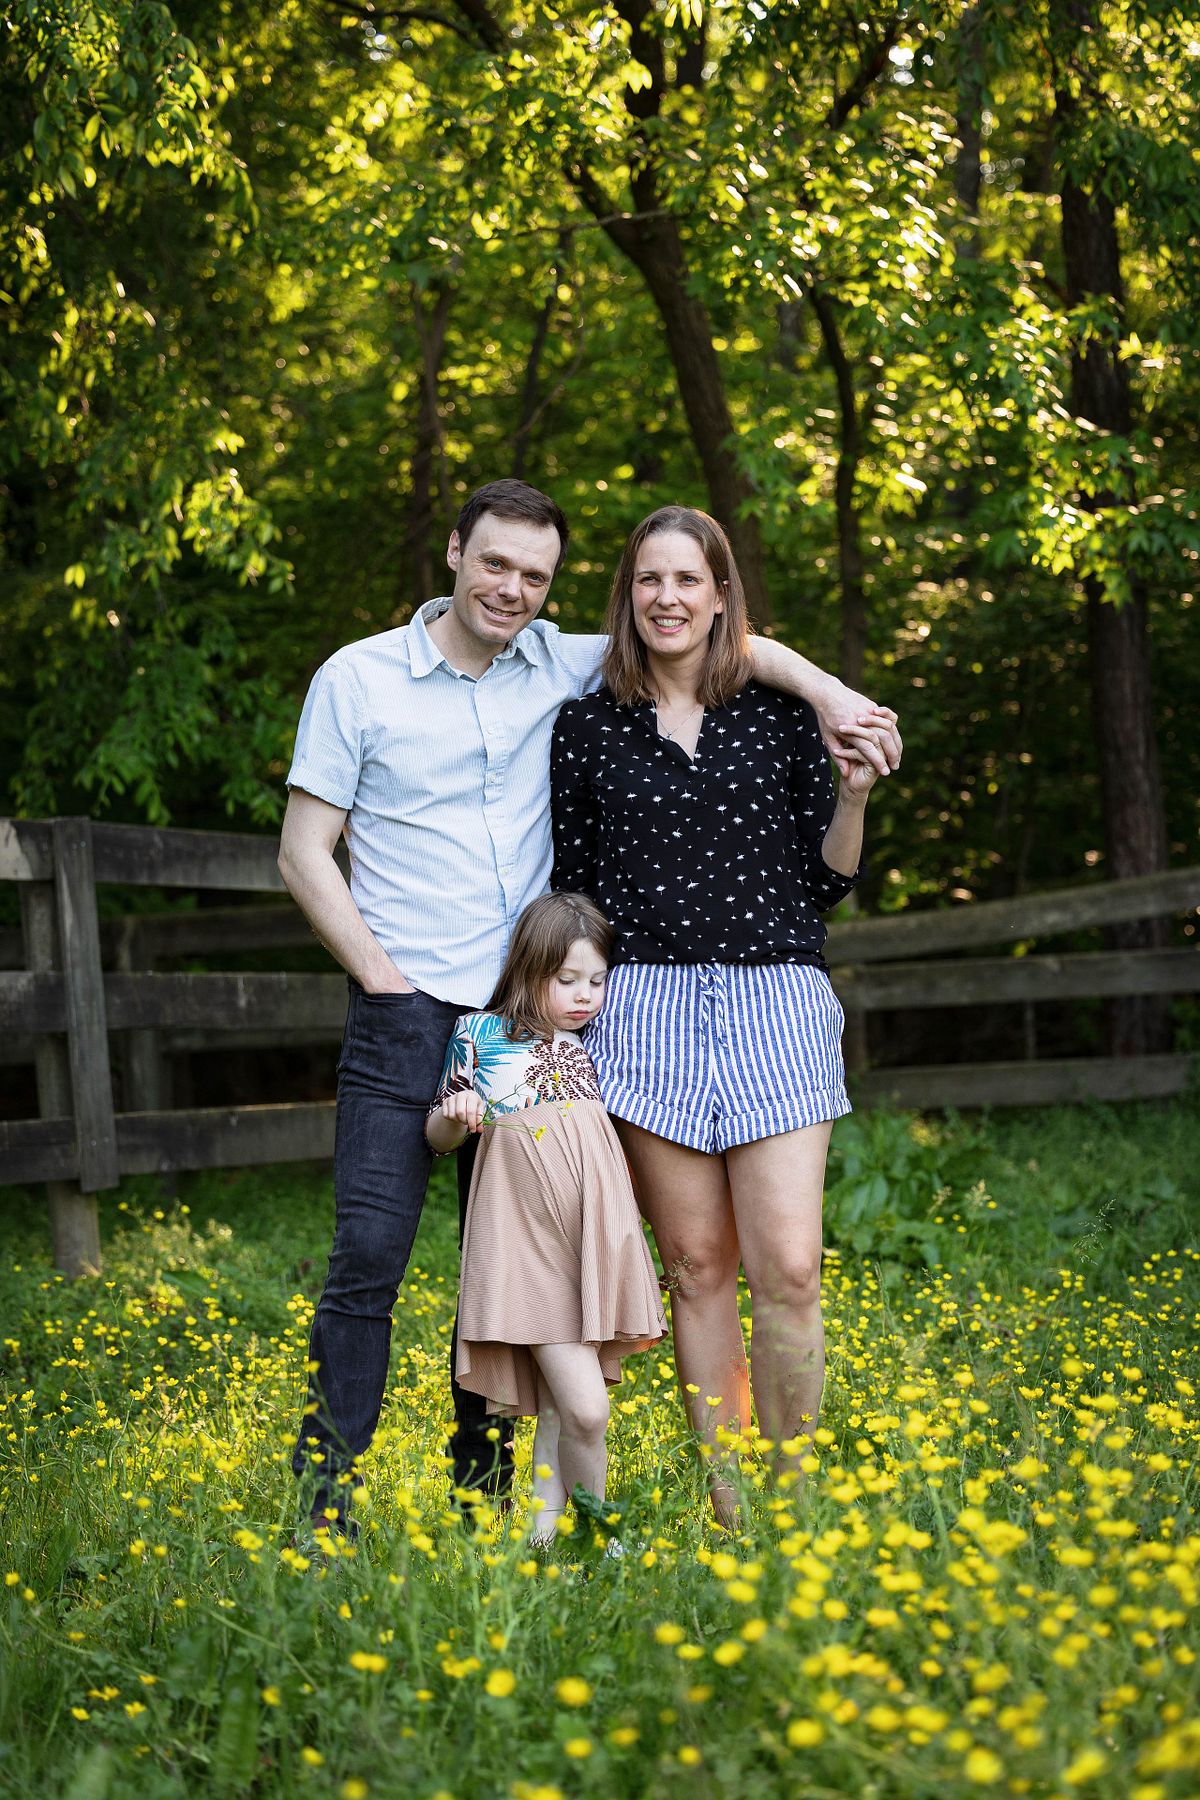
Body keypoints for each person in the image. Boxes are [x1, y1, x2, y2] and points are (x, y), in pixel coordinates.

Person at [279, 477, 899, 1539]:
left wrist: (838, 701)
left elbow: (735, 646)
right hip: (429, 1004)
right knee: (373, 1257)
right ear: (456, 554)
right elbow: (305, 853)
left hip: (540, 1017)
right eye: (496, 564)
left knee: (521, 1258)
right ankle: (321, 1507)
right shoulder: (378, 681)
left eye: (534, 574)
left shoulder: (582, 664)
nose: (512, 588)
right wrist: (387, 984)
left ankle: (490, 1492)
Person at [550, 504, 883, 1524]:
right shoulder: (587, 725)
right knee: (696, 1267)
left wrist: (855, 796)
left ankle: (794, 1504)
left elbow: (828, 885)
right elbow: (575, 886)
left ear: (720, 594)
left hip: (775, 996)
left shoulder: (779, 717)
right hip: (644, 1008)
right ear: (626, 597)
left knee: (788, 1266)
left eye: (688, 580)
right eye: (649, 581)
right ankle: (732, 1508)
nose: (667, 598)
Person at [424, 892, 665, 1544]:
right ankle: (601, 1536)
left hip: (589, 1245)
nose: (585, 995)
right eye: (567, 980)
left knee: (562, 1409)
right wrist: (456, 1112)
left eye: (596, 980)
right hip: (528, 1252)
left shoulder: (597, 1043)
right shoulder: (480, 1035)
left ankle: (544, 1537)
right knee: (588, 1409)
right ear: (530, 968)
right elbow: (438, 1136)